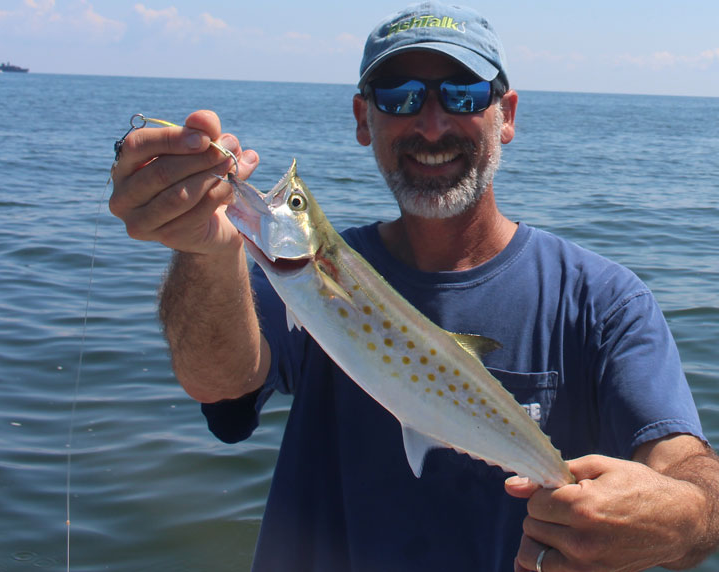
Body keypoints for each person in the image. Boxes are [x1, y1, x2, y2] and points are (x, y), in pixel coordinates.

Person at [109, 3, 719, 570]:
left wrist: (682, 516)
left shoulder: (603, 301)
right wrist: (207, 252)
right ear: (363, 120)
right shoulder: (292, 281)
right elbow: (222, 386)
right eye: (399, 97)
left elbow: (690, 472)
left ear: (504, 115)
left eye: (462, 94)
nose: (431, 125)